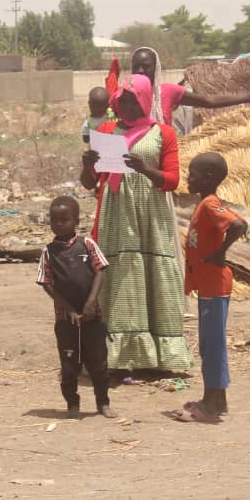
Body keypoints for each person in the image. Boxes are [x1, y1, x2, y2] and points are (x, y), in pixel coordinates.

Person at [80, 73, 192, 374]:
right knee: (119, 277)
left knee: (154, 274)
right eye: (123, 101)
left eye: (133, 100)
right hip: (116, 215)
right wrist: (87, 165)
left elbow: (171, 180)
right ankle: (120, 357)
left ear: (144, 100)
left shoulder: (163, 133)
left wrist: (144, 169)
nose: (127, 107)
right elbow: (90, 182)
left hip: (149, 216)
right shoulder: (105, 130)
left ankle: (160, 355)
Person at [172, 153, 248, 423]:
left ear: (208, 178)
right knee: (209, 344)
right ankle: (217, 399)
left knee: (212, 346)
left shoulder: (209, 204)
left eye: (192, 173)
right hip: (208, 285)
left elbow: (239, 224)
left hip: (214, 285)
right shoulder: (203, 204)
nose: (188, 178)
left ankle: (210, 406)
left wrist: (220, 253)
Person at [36, 195, 115, 419]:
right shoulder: (48, 252)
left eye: (65, 219)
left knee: (98, 364)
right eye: (54, 219)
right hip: (65, 319)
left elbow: (100, 272)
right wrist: (69, 308)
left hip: (92, 316)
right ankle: (72, 403)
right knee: (69, 365)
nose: (59, 223)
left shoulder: (87, 244)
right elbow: (46, 283)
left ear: (76, 221)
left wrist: (91, 302)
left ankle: (103, 403)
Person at [123, 47, 250, 128]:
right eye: (136, 67)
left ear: (156, 68)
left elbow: (208, 101)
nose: (141, 71)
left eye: (146, 66)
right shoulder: (125, 95)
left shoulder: (168, 91)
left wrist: (247, 97)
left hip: (164, 160)